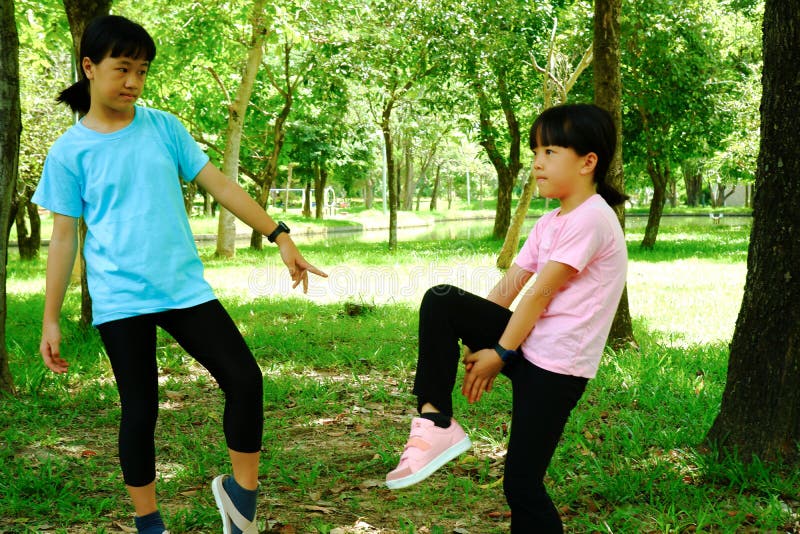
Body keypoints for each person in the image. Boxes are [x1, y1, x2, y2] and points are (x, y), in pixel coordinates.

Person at [33, 15, 327, 534]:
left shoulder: (163, 128)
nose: (133, 82)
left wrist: (280, 234)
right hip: (121, 298)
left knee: (244, 380)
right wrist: (50, 318)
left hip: (184, 288)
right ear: (89, 68)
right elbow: (63, 239)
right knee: (141, 408)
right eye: (122, 68)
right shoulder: (69, 151)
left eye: (142, 71)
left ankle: (241, 504)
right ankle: (150, 525)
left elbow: (221, 185)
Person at [385, 103, 628, 532]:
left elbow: (539, 294)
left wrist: (499, 351)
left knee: (521, 484)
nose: (537, 162)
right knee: (441, 300)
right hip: (528, 344)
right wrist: (477, 337)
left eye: (551, 151)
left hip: (557, 368)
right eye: (536, 150)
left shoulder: (592, 218)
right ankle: (435, 419)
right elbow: (509, 289)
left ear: (588, 162)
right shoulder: (551, 221)